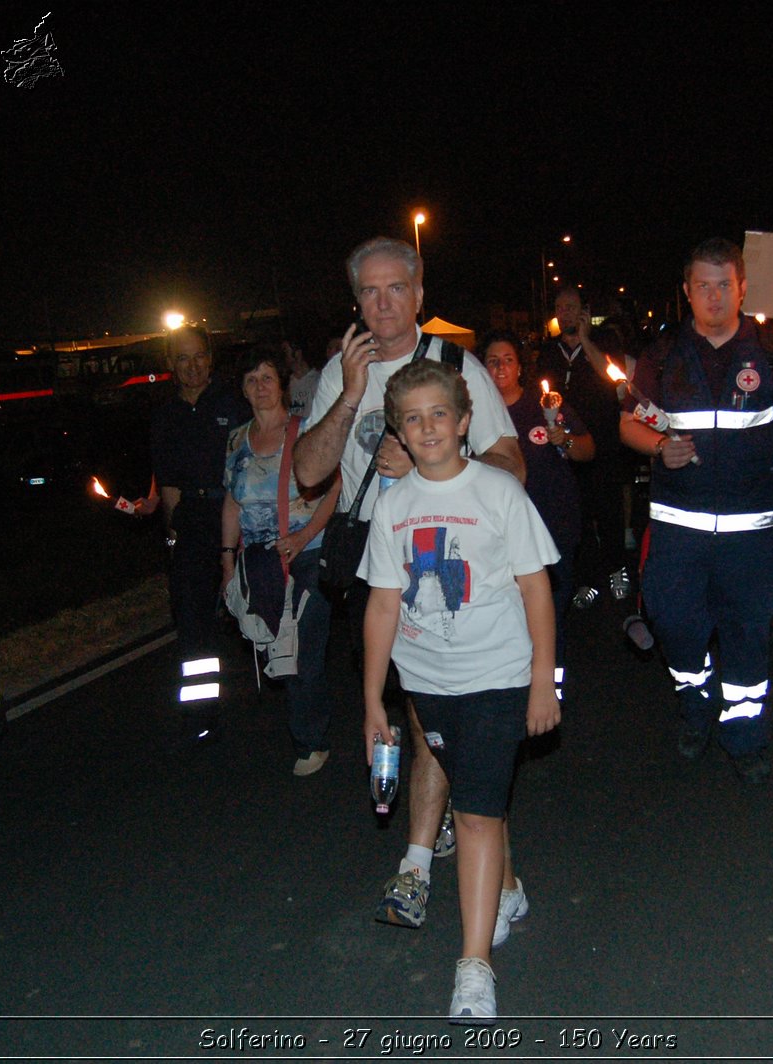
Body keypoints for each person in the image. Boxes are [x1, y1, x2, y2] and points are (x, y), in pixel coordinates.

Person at [292, 236, 525, 933]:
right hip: (376, 564)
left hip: (451, 568)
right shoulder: (343, 369)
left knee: (429, 719)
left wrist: (432, 464)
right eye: (370, 291)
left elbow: (510, 462)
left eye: (397, 288)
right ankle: (480, 855)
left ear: (420, 295)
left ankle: (417, 866)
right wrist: (353, 397)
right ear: (356, 300)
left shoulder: (456, 365)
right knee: (426, 717)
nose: (383, 303)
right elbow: (307, 471)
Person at [360, 359, 560, 1023]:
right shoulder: (393, 506)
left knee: (474, 812)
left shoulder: (498, 493)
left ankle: (474, 969)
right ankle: (507, 886)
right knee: (479, 793)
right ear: (398, 431)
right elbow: (383, 607)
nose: (428, 428)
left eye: (439, 414)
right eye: (412, 419)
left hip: (498, 676)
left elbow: (537, 589)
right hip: (429, 686)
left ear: (465, 421)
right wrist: (372, 703)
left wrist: (541, 683)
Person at [620, 238, 773, 782]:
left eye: (723, 285)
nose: (713, 297)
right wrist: (660, 446)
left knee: (749, 638)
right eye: (702, 286)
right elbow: (629, 423)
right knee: (675, 625)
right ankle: (694, 697)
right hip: (677, 534)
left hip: (750, 537)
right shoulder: (661, 355)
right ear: (686, 292)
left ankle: (745, 734)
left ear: (742, 288)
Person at [220, 347, 341, 775]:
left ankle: (311, 741)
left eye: (267, 377)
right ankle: (309, 719)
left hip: (308, 555)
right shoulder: (237, 439)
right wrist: (228, 562)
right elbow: (233, 503)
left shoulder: (306, 430)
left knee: (302, 645)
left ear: (283, 384)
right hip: (261, 563)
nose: (260, 387)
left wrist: (304, 536)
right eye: (251, 380)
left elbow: (334, 488)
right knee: (277, 647)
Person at [480, 329, 592, 669]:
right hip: (497, 534)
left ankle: (549, 682)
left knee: (548, 609)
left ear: (520, 368)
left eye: (508, 360)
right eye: (492, 361)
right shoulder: (471, 413)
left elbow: (588, 450)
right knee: (505, 612)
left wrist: (566, 440)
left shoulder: (544, 405)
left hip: (552, 524)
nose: (500, 368)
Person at [150, 327, 248, 702]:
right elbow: (168, 485)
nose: (192, 366)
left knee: (252, 616)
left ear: (210, 357)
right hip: (191, 523)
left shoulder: (233, 403)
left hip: (234, 519)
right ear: (170, 364)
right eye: (182, 358)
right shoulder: (166, 416)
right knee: (192, 624)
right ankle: (201, 713)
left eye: (199, 356)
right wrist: (172, 538)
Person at [541, 288, 627, 600]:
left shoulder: (604, 342)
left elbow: (613, 377)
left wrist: (587, 340)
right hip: (567, 445)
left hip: (603, 444)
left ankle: (617, 569)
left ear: (584, 311)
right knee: (578, 514)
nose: (564, 313)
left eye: (571, 307)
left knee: (608, 512)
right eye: (559, 307)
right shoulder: (550, 351)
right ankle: (587, 579)